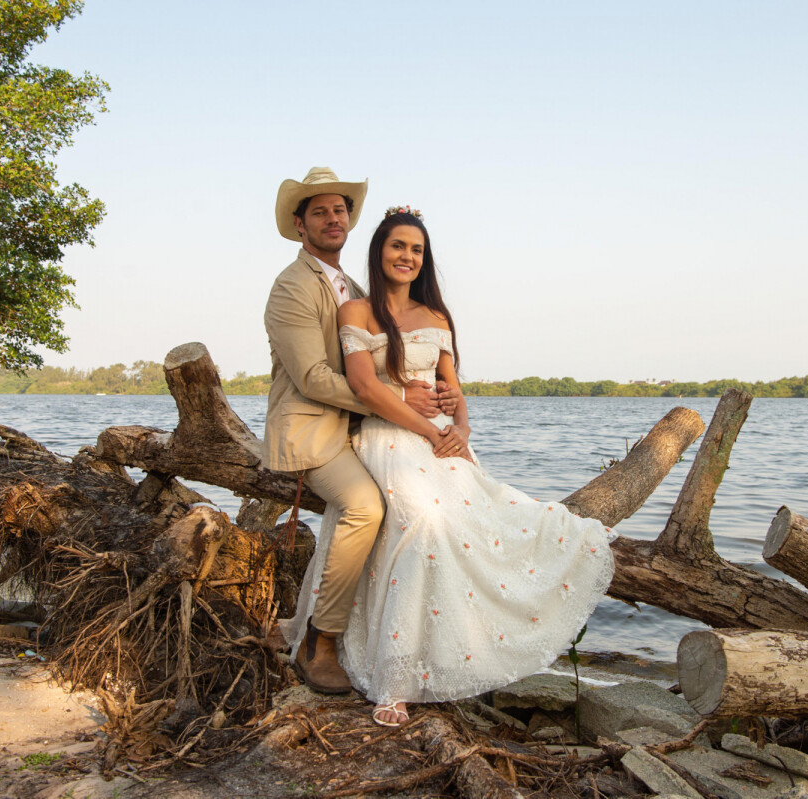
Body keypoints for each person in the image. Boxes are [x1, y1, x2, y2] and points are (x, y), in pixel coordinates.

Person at [330, 207, 618, 727]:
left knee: (484, 524)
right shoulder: (356, 313)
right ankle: (393, 678)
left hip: (440, 439)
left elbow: (454, 392)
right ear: (379, 253)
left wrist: (460, 429)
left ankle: (454, 653)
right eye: (398, 246)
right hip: (386, 436)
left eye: (416, 250)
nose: (408, 257)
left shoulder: (436, 318)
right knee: (424, 523)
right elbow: (364, 387)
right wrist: (428, 425)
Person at [264, 169, 455, 694]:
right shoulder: (292, 287)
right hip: (312, 430)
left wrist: (438, 398)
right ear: (300, 225)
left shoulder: (355, 288)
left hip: (365, 428)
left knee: (424, 502)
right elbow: (312, 378)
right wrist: (396, 398)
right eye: (320, 212)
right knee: (365, 507)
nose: (333, 219)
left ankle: (414, 636)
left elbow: (381, 364)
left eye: (340, 210)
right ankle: (319, 643)